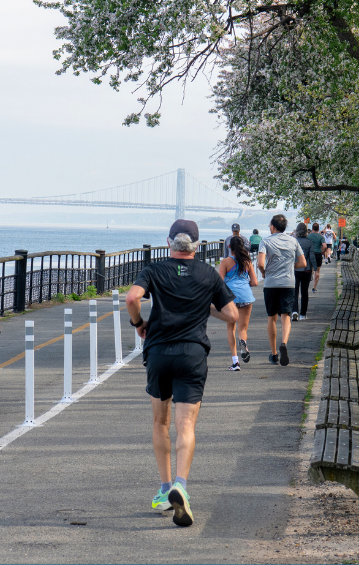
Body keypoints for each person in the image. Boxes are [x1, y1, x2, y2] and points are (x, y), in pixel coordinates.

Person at [126, 219, 238, 527]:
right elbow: (232, 314)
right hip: (192, 354)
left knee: (160, 422)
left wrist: (139, 325)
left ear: (168, 242)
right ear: (198, 246)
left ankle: (164, 491)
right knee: (185, 425)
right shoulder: (208, 274)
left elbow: (133, 298)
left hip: (159, 353)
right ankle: (181, 486)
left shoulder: (154, 270)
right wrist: (204, 306)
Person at [257, 214, 307, 366]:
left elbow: (260, 263)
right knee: (286, 315)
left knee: (271, 317)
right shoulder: (293, 241)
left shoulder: (265, 241)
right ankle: (284, 343)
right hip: (288, 283)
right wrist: (289, 268)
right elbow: (303, 263)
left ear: (272, 226)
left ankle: (273, 354)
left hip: (271, 283)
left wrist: (265, 272)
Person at [217, 233, 258, 370]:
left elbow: (219, 282)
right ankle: (243, 342)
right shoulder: (247, 261)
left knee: (231, 328)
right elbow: (255, 282)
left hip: (231, 298)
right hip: (246, 296)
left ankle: (235, 362)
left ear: (229, 247)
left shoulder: (225, 262)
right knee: (243, 328)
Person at [291, 223, 314, 321]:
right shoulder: (309, 242)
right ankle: (303, 314)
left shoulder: (293, 242)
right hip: (307, 270)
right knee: (305, 292)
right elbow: (312, 257)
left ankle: (294, 311)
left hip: (295, 269)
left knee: (294, 291)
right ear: (306, 231)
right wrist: (315, 270)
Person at [307, 223, 326, 293]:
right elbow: (325, 246)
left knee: (309, 270)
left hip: (310, 255)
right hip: (318, 255)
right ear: (318, 229)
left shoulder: (308, 236)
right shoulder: (321, 237)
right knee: (317, 272)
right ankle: (314, 288)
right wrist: (322, 251)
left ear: (312, 229)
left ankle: (307, 285)